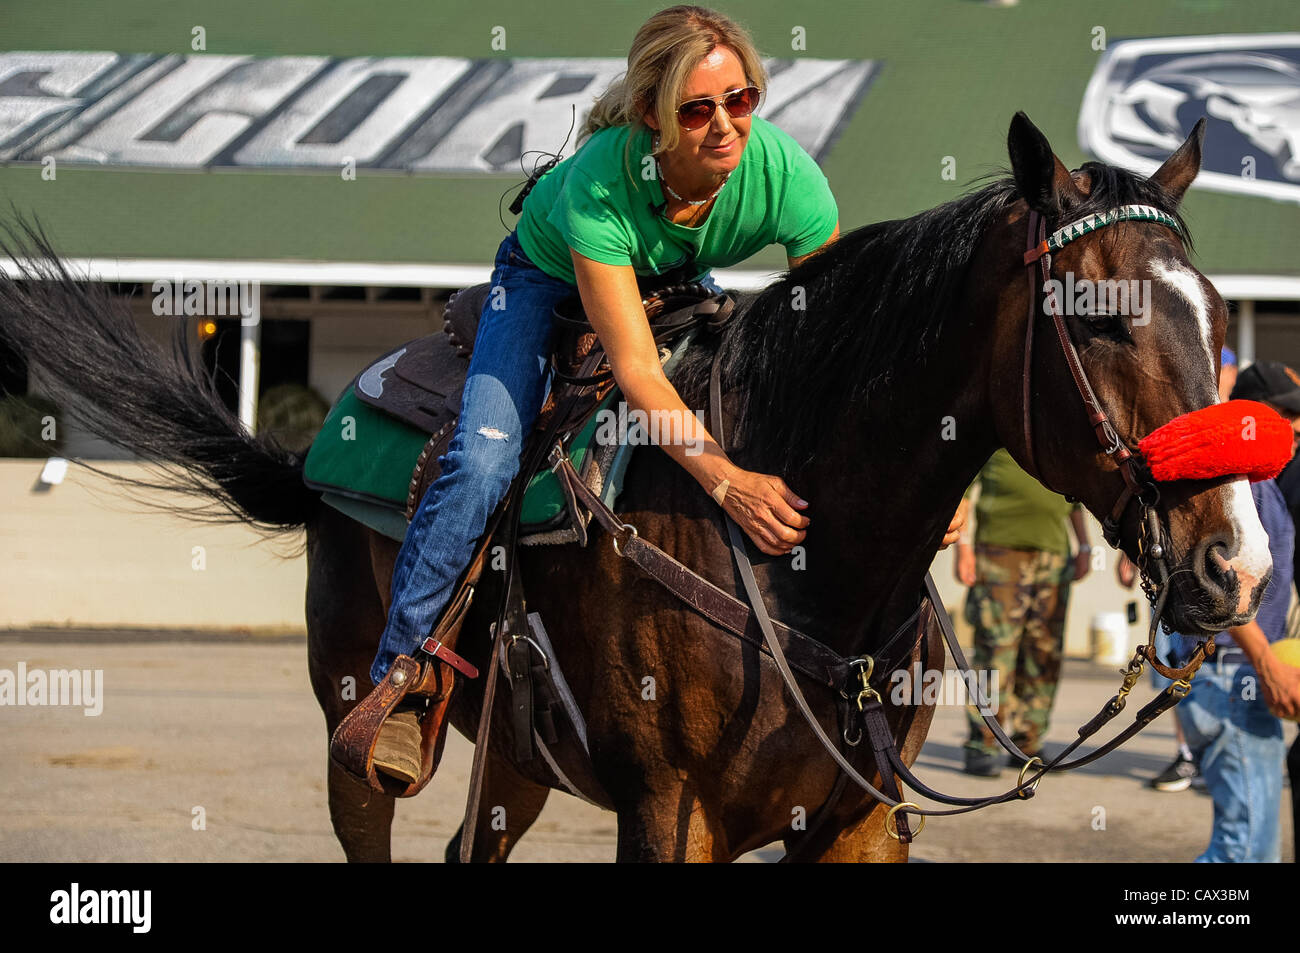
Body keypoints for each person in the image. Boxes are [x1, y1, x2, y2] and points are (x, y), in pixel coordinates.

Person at [361, 5, 968, 783]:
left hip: (677, 278)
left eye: (741, 100)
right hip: (542, 279)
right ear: (651, 115)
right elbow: (639, 371)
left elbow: (843, 355)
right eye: (698, 108)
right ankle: (403, 676)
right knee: (483, 461)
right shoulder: (601, 182)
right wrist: (729, 479)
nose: (726, 125)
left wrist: (911, 477)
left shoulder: (788, 177)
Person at [1170, 360, 1300, 862]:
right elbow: (1227, 589)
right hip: (1232, 679)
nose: (1291, 427)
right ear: (1249, 413)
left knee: (1248, 847)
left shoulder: (1253, 480)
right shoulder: (1238, 485)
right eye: (1283, 414)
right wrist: (1267, 665)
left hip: (1232, 680)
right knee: (1246, 852)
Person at [1134, 345, 1239, 792]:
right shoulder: (1174, 423)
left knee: (1205, 668)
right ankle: (1186, 753)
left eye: (1223, 372)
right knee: (1170, 659)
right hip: (1167, 564)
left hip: (1205, 573)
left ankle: (1204, 753)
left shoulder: (1230, 433)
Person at [955, 448, 1092, 776]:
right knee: (995, 651)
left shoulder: (1056, 442)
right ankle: (982, 744)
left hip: (1054, 558)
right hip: (999, 555)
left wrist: (1085, 546)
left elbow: (1073, 501)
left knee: (1043, 652)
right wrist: (963, 548)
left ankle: (1028, 741)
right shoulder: (995, 443)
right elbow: (964, 493)